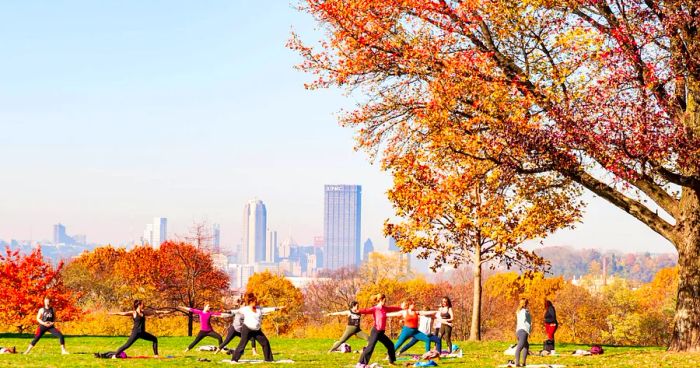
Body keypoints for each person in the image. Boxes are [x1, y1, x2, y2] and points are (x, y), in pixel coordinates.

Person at [230, 292, 284, 362]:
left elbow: (268, 309)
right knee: (242, 345)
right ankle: (234, 360)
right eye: (255, 301)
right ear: (251, 302)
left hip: (256, 330)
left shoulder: (259, 309)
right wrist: (226, 311)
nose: (256, 302)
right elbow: (235, 311)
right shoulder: (245, 309)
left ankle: (268, 360)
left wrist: (278, 308)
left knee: (265, 343)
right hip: (247, 329)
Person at [357, 293, 402, 366]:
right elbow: (366, 310)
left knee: (390, 345)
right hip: (376, 331)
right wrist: (358, 311)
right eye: (384, 300)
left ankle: (391, 361)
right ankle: (361, 363)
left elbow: (393, 308)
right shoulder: (375, 308)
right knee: (370, 347)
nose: (385, 301)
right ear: (381, 299)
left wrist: (401, 308)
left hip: (381, 333)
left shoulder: (385, 308)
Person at [514, 298, 531, 367]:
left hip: (518, 331)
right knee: (519, 347)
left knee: (526, 346)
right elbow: (526, 320)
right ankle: (517, 363)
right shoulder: (525, 311)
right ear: (526, 304)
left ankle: (523, 363)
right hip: (523, 331)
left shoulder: (518, 311)